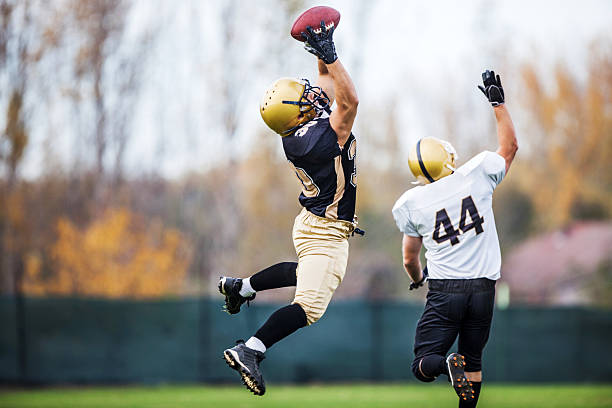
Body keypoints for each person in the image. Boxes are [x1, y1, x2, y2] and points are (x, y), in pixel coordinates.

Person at [219, 21, 361, 396]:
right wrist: (331, 55)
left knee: (305, 272)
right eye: (304, 99)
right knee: (309, 306)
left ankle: (243, 287)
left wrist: (319, 48)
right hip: (327, 229)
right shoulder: (318, 137)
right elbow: (350, 102)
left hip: (312, 222)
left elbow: (328, 85)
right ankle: (250, 349)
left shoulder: (297, 133)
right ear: (298, 115)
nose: (313, 96)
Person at [391, 71, 518, 407]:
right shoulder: (475, 175)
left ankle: (447, 367)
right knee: (473, 358)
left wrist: (417, 279)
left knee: (423, 363)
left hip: (446, 289)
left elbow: (409, 258)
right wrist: (498, 104)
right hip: (483, 288)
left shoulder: (412, 203)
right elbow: (509, 147)